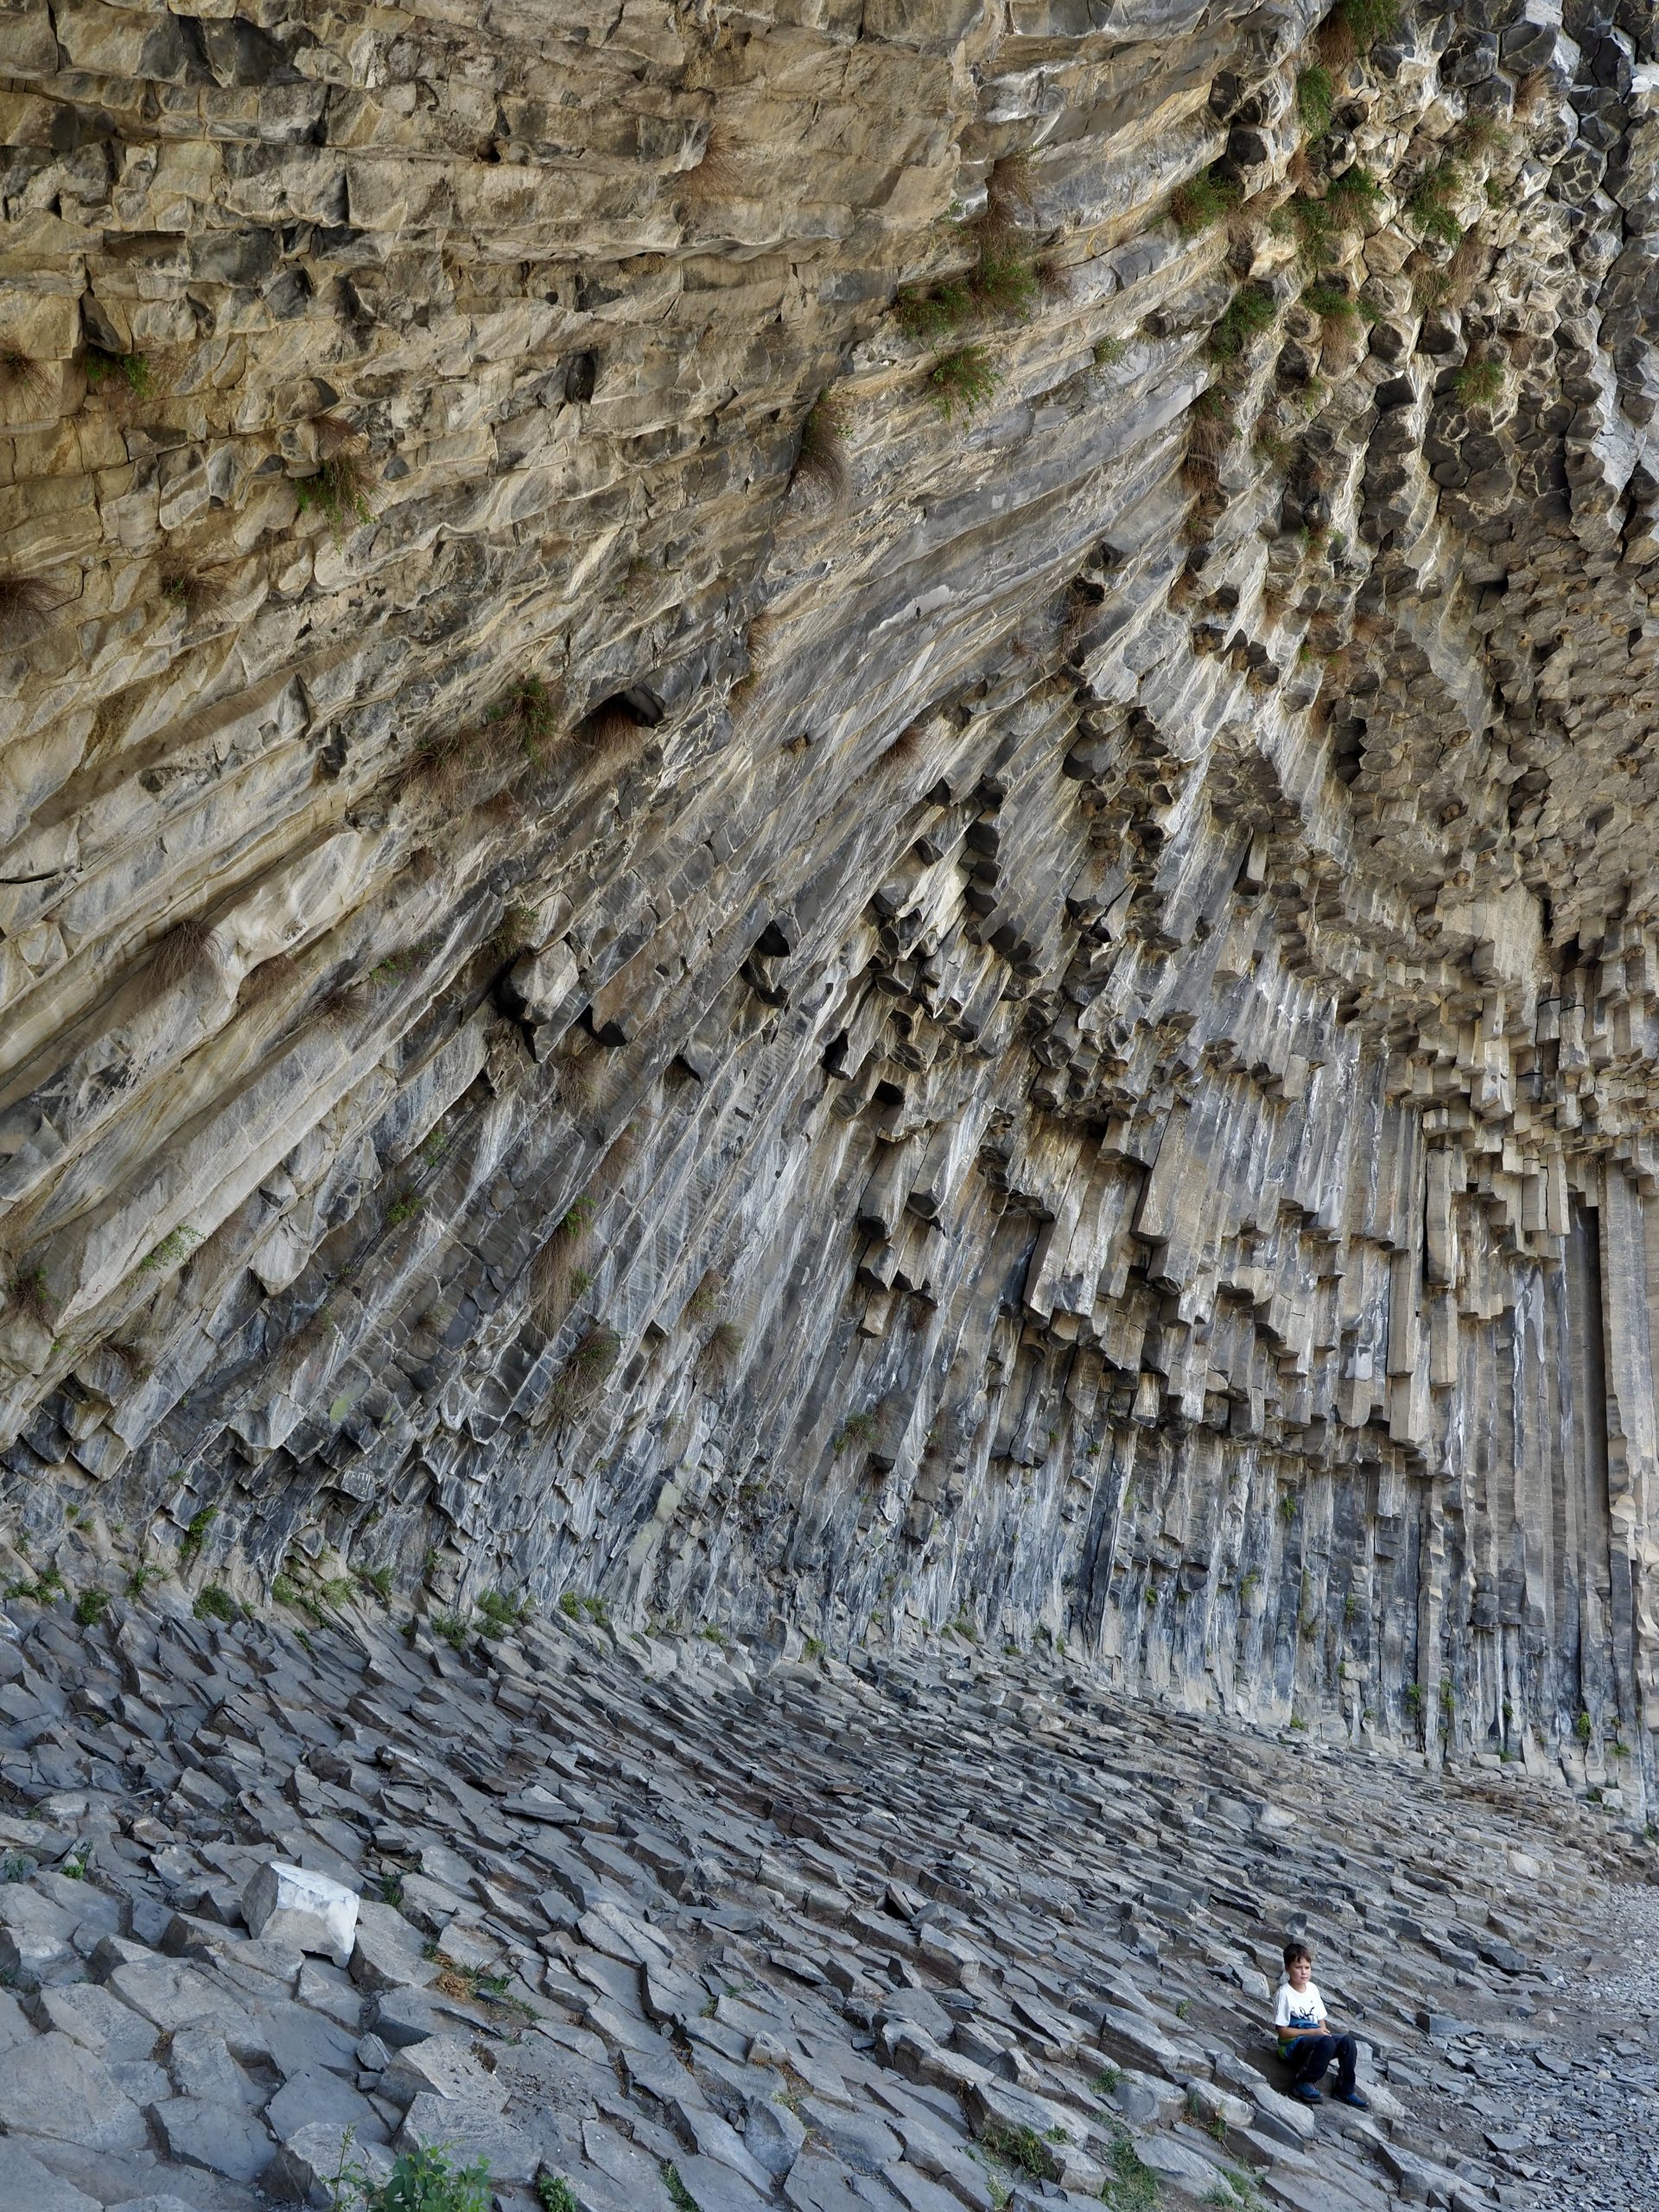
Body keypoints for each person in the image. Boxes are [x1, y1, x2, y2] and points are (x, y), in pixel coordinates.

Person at [1273, 1939, 1370, 2107]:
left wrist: (1322, 2032)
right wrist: (1314, 2034)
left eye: (1307, 1968)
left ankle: (1345, 2090)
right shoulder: (1285, 1994)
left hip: (1315, 2039)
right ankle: (1304, 2082)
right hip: (1292, 2046)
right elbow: (1282, 2032)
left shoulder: (1312, 1989)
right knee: (1325, 2042)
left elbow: (1320, 2020)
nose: (1303, 1972)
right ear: (1288, 1968)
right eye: (1298, 1967)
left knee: (1347, 2042)